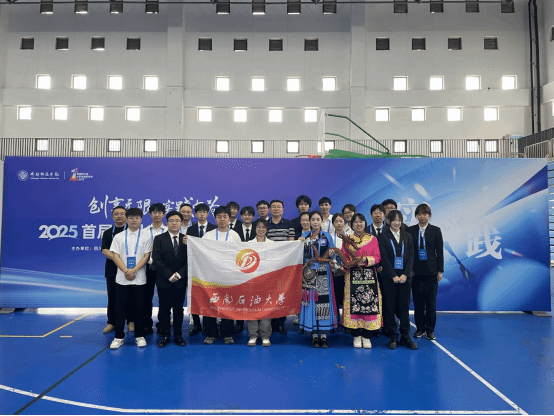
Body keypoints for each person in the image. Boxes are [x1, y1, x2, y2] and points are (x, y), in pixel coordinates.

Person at [109, 208, 152, 350]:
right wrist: (126, 270)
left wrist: (133, 270)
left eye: (137, 218)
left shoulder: (146, 236)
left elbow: (146, 256)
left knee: (139, 308)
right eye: (131, 218)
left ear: (141, 220)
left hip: (139, 279)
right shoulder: (119, 236)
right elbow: (115, 255)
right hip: (122, 279)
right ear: (127, 219)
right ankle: (118, 337)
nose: (134, 220)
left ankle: (139, 336)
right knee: (120, 308)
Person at [201, 206, 242, 345]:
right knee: (210, 304)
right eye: (219, 217)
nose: (222, 219)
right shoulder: (208, 235)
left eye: (225, 216)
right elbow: (201, 252)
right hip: (211, 276)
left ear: (229, 218)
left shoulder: (235, 235)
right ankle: (210, 333)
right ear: (215, 219)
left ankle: (228, 333)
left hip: (229, 276)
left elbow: (239, 255)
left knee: (228, 304)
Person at [378, 210, 417, 350]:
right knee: (389, 308)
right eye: (394, 220)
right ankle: (393, 337)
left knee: (404, 308)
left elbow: (411, 256)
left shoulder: (408, 236)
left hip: (405, 279)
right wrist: (393, 275)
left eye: (399, 220)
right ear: (388, 221)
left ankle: (406, 337)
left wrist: (405, 274)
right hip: (390, 278)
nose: (396, 223)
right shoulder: (383, 236)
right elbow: (383, 257)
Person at [341, 213, 382, 349]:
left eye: (361, 221)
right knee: (354, 304)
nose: (359, 224)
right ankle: (356, 335)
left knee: (369, 304)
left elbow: (377, 257)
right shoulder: (347, 239)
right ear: (352, 224)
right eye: (356, 222)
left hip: (369, 276)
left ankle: (367, 336)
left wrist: (365, 260)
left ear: (365, 223)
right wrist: (350, 262)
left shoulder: (373, 239)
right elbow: (343, 256)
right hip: (352, 275)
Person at [299, 211, 338, 348]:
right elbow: (298, 254)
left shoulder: (327, 236)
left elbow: (332, 253)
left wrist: (332, 253)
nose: (315, 222)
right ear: (309, 222)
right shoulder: (304, 236)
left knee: (323, 300)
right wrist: (299, 243)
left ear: (322, 221)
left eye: (318, 219)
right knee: (310, 300)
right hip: (308, 271)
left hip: (323, 271)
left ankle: (323, 335)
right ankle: (314, 335)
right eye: (313, 219)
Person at [407, 204, 444, 341]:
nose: (422, 216)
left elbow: (439, 251)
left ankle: (430, 330)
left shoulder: (436, 230)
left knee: (431, 303)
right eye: (419, 214)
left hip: (431, 272)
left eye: (425, 214)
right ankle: (420, 329)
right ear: (416, 215)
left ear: (429, 215)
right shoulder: (410, 230)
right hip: (415, 272)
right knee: (418, 303)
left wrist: (440, 270)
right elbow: (408, 251)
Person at [153, 211, 188, 348]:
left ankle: (178, 335)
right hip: (164, 280)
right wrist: (169, 275)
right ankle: (165, 335)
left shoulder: (186, 239)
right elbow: (157, 260)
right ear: (166, 223)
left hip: (180, 280)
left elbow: (190, 259)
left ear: (181, 223)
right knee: (164, 309)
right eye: (171, 221)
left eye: (177, 221)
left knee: (179, 309)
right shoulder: (159, 239)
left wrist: (179, 274)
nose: (174, 223)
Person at [186, 203, 216, 336]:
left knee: (210, 295)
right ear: (196, 214)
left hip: (210, 267)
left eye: (204, 212)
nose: (202, 214)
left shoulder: (214, 229)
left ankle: (210, 324)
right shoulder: (191, 229)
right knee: (195, 295)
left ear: (208, 214)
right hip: (195, 266)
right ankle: (197, 324)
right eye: (199, 212)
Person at [266, 199, 295, 335]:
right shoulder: (265, 224)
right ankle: (271, 322)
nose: (276, 209)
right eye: (274, 207)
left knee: (282, 293)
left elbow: (291, 245)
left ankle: (281, 323)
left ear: (283, 209)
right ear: (269, 209)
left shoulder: (289, 224)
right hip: (269, 265)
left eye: (279, 207)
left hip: (284, 265)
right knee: (270, 294)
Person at [101, 206, 131, 334]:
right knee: (112, 296)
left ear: (126, 216)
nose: (119, 216)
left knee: (131, 296)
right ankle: (112, 322)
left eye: (122, 214)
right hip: (112, 269)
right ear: (113, 216)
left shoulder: (132, 231)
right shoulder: (108, 233)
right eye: (116, 214)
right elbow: (104, 250)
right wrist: (118, 259)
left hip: (129, 269)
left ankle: (131, 321)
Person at [247, 219, 274, 347]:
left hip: (267, 281)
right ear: (255, 229)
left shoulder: (272, 244)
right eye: (258, 227)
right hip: (252, 281)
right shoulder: (248, 244)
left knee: (266, 308)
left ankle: (265, 336)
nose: (261, 229)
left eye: (263, 227)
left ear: (267, 229)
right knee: (252, 307)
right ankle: (253, 335)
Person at [143, 203, 166, 336]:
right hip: (148, 268)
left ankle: (162, 324)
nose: (157, 215)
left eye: (159, 212)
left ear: (163, 214)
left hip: (164, 268)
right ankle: (147, 324)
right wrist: (150, 262)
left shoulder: (168, 230)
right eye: (154, 212)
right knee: (147, 297)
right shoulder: (144, 232)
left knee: (164, 298)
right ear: (150, 214)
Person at [329, 213, 352, 329]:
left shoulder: (350, 236)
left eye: (341, 221)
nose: (339, 224)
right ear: (333, 223)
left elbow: (352, 254)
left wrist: (346, 267)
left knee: (346, 298)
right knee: (335, 298)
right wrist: (338, 268)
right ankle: (335, 322)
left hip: (347, 273)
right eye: (336, 222)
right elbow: (328, 256)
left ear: (344, 222)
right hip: (334, 272)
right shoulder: (329, 237)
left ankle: (347, 323)